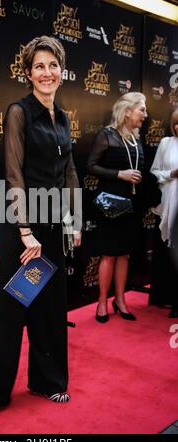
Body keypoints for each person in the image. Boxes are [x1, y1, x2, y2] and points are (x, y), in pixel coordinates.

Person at [0, 35, 82, 420]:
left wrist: (73, 218)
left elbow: (69, 170)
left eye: (53, 65)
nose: (47, 73)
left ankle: (48, 380)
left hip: (53, 224)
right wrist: (24, 231)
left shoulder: (63, 116)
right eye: (39, 66)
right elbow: (14, 174)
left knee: (49, 308)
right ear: (28, 72)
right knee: (9, 306)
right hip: (23, 223)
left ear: (62, 71)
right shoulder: (19, 112)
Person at [87, 92, 147, 323]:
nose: (145, 114)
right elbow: (91, 166)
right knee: (109, 255)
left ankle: (120, 300)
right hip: (110, 205)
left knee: (124, 255)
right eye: (141, 109)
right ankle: (102, 302)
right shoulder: (107, 135)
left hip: (131, 206)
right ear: (128, 110)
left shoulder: (136, 138)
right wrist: (119, 174)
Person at [149, 109, 178, 318]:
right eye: (176, 122)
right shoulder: (166, 143)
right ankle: (167, 297)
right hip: (168, 205)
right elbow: (154, 172)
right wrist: (171, 174)